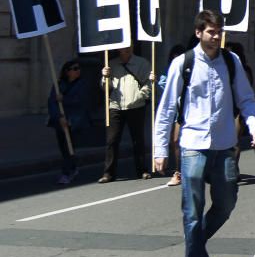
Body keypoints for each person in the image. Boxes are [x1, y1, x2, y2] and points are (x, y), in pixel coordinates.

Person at [154, 10, 255, 257]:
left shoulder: (231, 60)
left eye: (219, 31)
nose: (215, 36)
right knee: (192, 210)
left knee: (226, 204)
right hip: (193, 146)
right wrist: (160, 148)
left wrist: (254, 125)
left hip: (225, 145)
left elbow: (247, 98)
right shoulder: (184, 63)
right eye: (211, 31)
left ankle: (195, 242)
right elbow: (166, 108)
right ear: (199, 32)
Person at [100, 44, 154, 183]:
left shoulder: (142, 63)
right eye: (123, 46)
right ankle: (108, 173)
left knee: (138, 140)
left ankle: (142, 170)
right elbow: (106, 88)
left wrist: (140, 96)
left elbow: (149, 82)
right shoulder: (111, 64)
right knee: (112, 140)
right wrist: (104, 77)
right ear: (118, 48)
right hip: (115, 106)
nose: (127, 48)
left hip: (136, 106)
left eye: (129, 45)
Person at [47, 58, 90, 184]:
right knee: (64, 148)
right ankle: (73, 167)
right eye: (74, 69)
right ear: (67, 71)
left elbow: (81, 101)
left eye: (78, 69)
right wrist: (59, 117)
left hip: (74, 122)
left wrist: (63, 99)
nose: (78, 71)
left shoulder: (82, 85)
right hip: (61, 121)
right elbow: (52, 102)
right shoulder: (59, 84)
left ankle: (67, 173)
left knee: (69, 148)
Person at [157, 44, 187, 187]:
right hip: (176, 112)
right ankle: (179, 171)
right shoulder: (170, 70)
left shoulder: (190, 69)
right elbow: (165, 86)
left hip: (189, 111)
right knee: (175, 141)